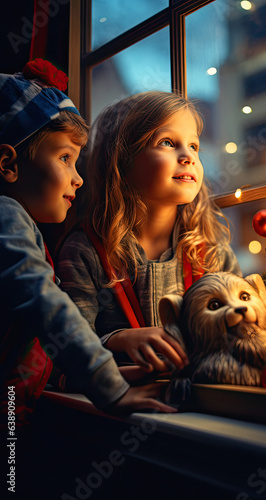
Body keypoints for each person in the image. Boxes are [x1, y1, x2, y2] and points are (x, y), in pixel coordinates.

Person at [0, 61, 176, 429]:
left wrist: (89, 374)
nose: (78, 178)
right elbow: (44, 304)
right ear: (8, 164)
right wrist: (109, 388)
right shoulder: (7, 217)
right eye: (65, 158)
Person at [56, 90, 242, 376]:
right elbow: (67, 349)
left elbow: (240, 330)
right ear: (121, 162)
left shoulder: (211, 248)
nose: (188, 156)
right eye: (167, 142)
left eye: (194, 146)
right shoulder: (85, 251)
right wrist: (118, 339)